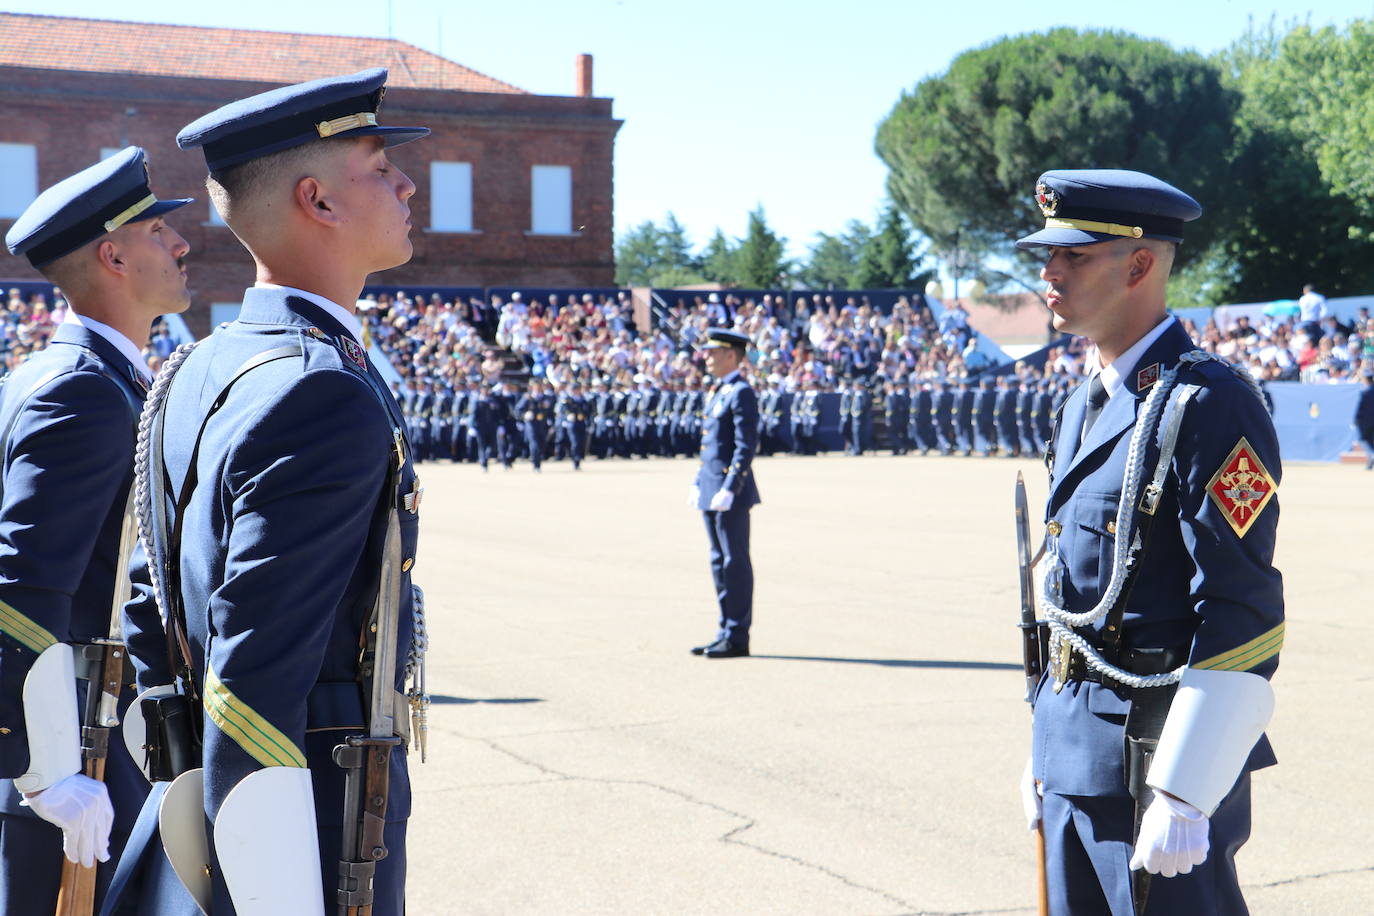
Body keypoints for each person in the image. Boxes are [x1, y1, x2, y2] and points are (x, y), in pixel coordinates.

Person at [119, 69, 429, 914]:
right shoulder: (318, 385)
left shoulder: (197, 363)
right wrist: (273, 881)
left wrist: (187, 770)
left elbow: (149, 597)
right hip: (307, 814)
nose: (406, 183)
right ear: (317, 201)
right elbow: (257, 678)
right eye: (378, 167)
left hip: (221, 792)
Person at [1016, 169, 1284, 915]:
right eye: (1047, 255)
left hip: (1156, 763)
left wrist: (1186, 787)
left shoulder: (1209, 403)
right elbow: (1070, 599)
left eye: (1073, 256)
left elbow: (1243, 607)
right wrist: (1044, 746)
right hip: (1075, 752)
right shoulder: (1082, 402)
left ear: (1139, 265)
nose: (1049, 272)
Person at [0, 148, 194, 915]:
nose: (181, 244)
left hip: (79, 741)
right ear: (111, 255)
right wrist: (48, 772)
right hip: (67, 754)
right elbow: (21, 588)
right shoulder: (84, 393)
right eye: (158, 232)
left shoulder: (66, 377)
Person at [688, 328, 760, 659]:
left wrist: (731, 486)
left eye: (713, 352)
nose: (707, 357)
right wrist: (699, 482)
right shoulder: (721, 390)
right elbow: (711, 445)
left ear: (731, 354)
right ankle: (724, 630)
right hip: (712, 489)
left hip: (731, 492)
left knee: (734, 563)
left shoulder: (741, 392)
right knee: (719, 563)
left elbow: (745, 447)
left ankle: (737, 635)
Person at [1356, 370, 1374, 470]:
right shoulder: (1366, 392)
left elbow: (1361, 409)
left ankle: (1371, 456)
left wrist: (1356, 419)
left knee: (1364, 440)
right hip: (1369, 421)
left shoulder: (1366, 393)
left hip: (1367, 422)